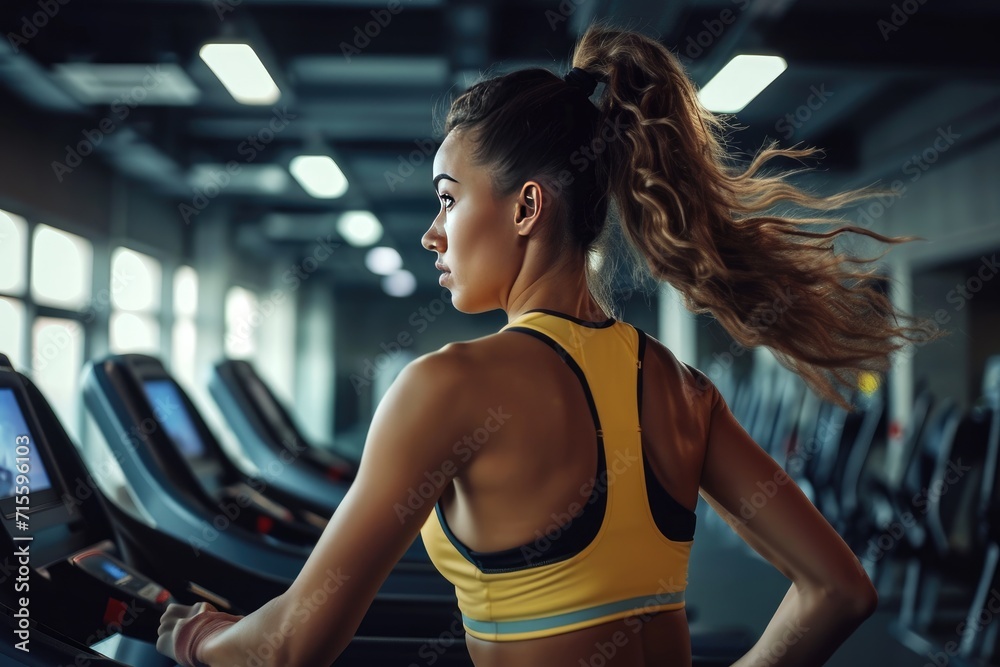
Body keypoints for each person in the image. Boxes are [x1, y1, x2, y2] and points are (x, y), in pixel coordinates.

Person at [157, 21, 943, 667]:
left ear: (527, 205)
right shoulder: (683, 388)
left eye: (446, 199)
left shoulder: (449, 386)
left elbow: (294, 643)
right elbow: (841, 589)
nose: (433, 233)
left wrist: (196, 638)